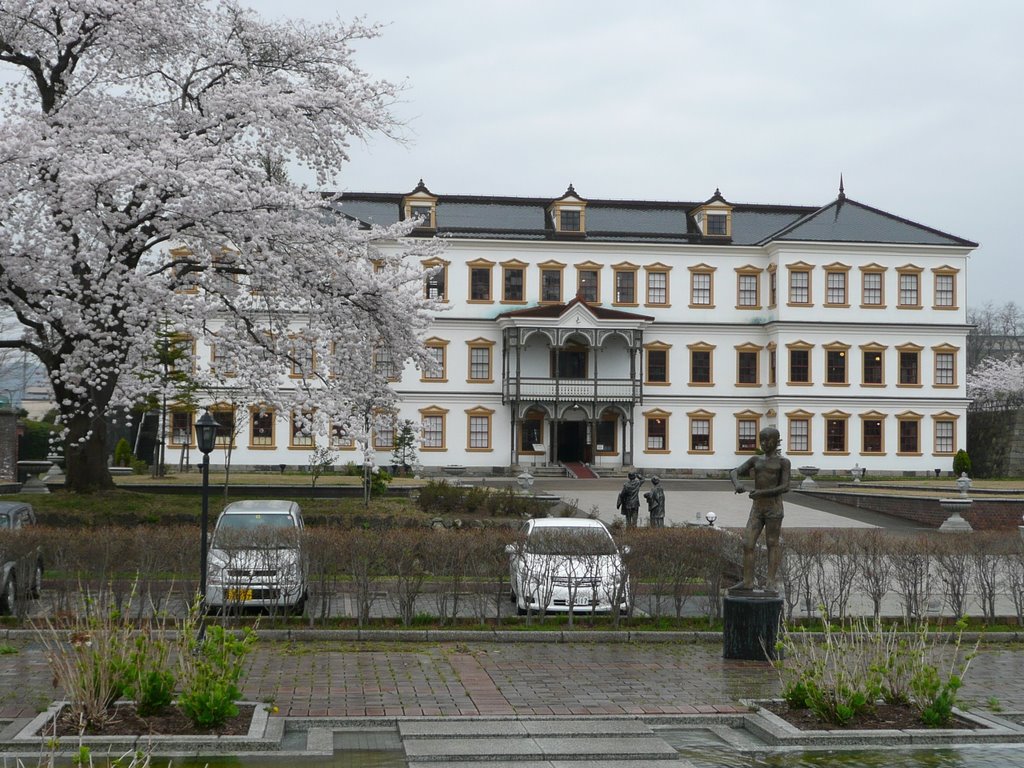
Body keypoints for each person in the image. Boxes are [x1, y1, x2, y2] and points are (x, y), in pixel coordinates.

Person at [729, 427, 791, 593]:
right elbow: (734, 472)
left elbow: (785, 486)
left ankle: (770, 582)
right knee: (747, 543)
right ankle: (748, 581)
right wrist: (738, 484)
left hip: (774, 508)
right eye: (761, 440)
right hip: (757, 508)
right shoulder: (756, 459)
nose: (763, 443)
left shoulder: (783, 462)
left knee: (772, 543)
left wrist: (761, 493)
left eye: (767, 440)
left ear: (775, 441)